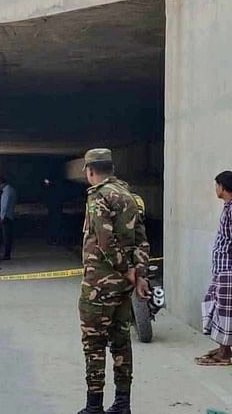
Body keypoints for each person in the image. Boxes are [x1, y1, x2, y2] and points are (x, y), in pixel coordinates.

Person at [77, 148, 150, 414]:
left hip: (99, 285)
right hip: (123, 287)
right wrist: (138, 273)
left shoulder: (98, 196)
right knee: (121, 342)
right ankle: (122, 404)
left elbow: (105, 242)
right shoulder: (130, 195)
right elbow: (142, 238)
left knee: (94, 343)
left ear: (90, 170)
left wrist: (125, 268)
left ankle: (93, 406)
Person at [195, 170, 232, 366]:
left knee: (225, 310)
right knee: (216, 306)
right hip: (222, 269)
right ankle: (223, 347)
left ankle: (225, 353)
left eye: (217, 185)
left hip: (228, 270)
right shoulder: (228, 207)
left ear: (224, 187)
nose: (215, 189)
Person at [0, 176, 17, 260]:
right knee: (8, 236)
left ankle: (6, 254)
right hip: (10, 215)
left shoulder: (6, 191)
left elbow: (4, 205)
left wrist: (2, 217)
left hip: (6, 217)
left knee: (6, 237)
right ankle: (7, 253)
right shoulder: (11, 189)